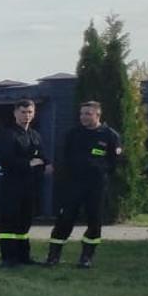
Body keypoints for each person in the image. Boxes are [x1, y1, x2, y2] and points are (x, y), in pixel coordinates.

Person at [45, 101, 123, 268]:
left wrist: (100, 170)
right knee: (65, 219)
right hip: (73, 184)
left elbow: (114, 162)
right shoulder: (73, 133)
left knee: (94, 220)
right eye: (81, 114)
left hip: (96, 186)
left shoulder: (110, 135)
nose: (83, 117)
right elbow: (62, 155)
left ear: (97, 115)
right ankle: (53, 256)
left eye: (88, 114)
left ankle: (86, 257)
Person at [0, 99, 48, 267]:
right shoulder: (8, 135)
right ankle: (8, 258)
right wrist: (28, 163)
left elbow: (42, 157)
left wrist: (47, 163)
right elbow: (5, 160)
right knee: (10, 220)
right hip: (12, 184)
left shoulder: (35, 135)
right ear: (15, 113)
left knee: (25, 221)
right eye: (23, 112)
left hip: (30, 185)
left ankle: (24, 256)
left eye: (30, 112)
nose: (27, 116)